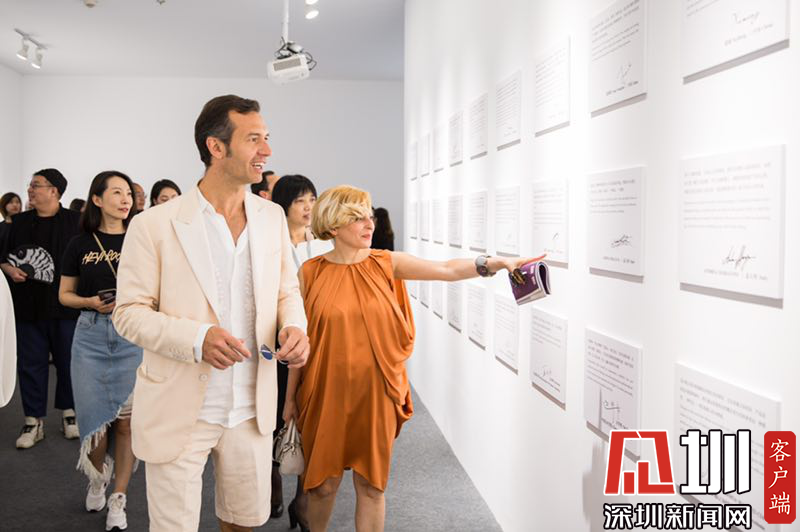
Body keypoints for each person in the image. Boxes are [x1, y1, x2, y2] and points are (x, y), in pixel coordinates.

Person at [283, 185, 543, 532]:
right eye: (357, 217)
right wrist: (290, 398)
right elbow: (300, 343)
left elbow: (447, 269)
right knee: (322, 487)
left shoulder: (385, 263)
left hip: (374, 394)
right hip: (324, 392)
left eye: (369, 216)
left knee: (372, 486)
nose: (369, 224)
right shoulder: (310, 273)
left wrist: (495, 263)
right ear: (332, 224)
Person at [112, 94, 310, 532]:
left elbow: (287, 291)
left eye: (266, 137)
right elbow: (128, 313)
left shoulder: (271, 217)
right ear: (216, 147)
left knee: (244, 522)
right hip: (179, 406)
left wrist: (295, 326)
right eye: (254, 139)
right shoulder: (154, 224)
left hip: (251, 408)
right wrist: (197, 338)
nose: (267, 150)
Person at [59, 170, 143, 531]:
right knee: (95, 425)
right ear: (97, 199)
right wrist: (90, 302)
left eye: (129, 194)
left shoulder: (140, 239)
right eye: (117, 193)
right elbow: (64, 295)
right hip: (90, 336)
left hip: (131, 336)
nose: (126, 200)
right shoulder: (79, 244)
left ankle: (118, 497)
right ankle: (98, 478)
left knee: (126, 424)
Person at [267, 174, 332, 528]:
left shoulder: (323, 245)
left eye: (312, 200)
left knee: (314, 422)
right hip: (280, 345)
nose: (308, 208)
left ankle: (302, 499)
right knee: (279, 415)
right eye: (300, 201)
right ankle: (273, 479)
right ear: (284, 205)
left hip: (319, 344)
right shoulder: (270, 247)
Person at [0, 169, 81, 449]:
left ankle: (70, 414)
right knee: (30, 364)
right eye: (31, 185)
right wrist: (9, 269)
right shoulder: (18, 222)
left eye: (36, 185)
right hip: (28, 306)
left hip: (66, 306)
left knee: (68, 362)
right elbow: (3, 257)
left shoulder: (75, 221)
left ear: (54, 191)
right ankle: (33, 421)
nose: (30, 190)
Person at [0, 192, 22, 256]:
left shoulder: (25, 224)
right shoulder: (1, 226)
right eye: (10, 202)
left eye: (17, 202)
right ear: (4, 205)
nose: (15, 205)